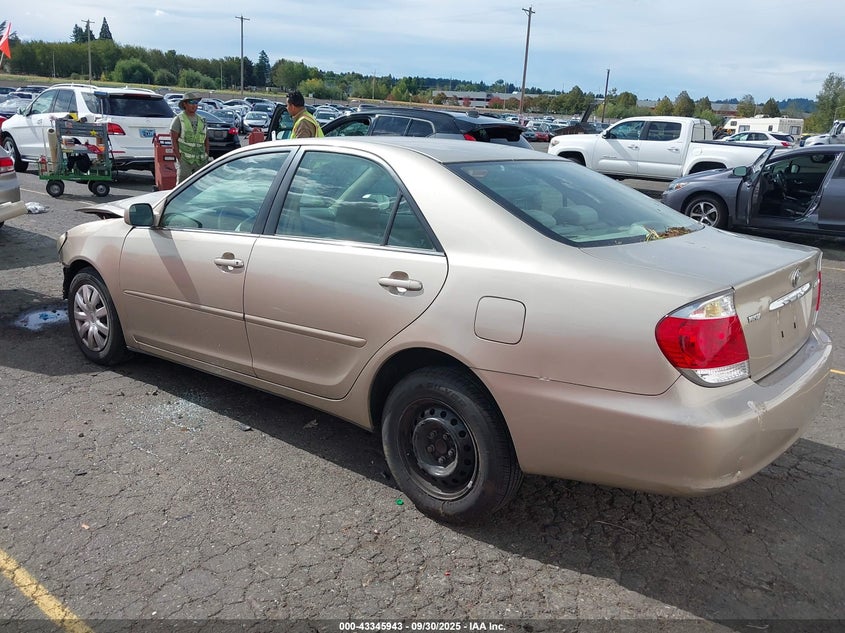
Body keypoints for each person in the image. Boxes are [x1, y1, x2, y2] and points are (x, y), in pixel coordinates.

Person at [170, 92, 210, 183]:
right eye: (192, 102)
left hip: (200, 160)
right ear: (185, 104)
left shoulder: (202, 120)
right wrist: (180, 159)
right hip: (185, 160)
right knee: (182, 187)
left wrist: (206, 155)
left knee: (200, 186)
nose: (194, 105)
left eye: (196, 103)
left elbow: (206, 140)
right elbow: (174, 141)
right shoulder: (178, 119)